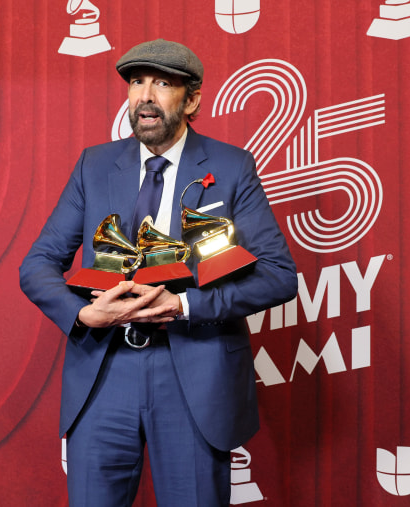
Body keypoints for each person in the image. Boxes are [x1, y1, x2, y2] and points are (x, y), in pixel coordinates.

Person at [19, 39, 298, 506]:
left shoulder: (231, 167)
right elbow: (37, 265)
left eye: (162, 83)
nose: (145, 95)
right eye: (136, 82)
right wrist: (82, 315)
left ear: (191, 100)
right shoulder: (94, 165)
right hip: (104, 375)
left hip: (192, 373)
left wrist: (185, 305)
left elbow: (278, 275)